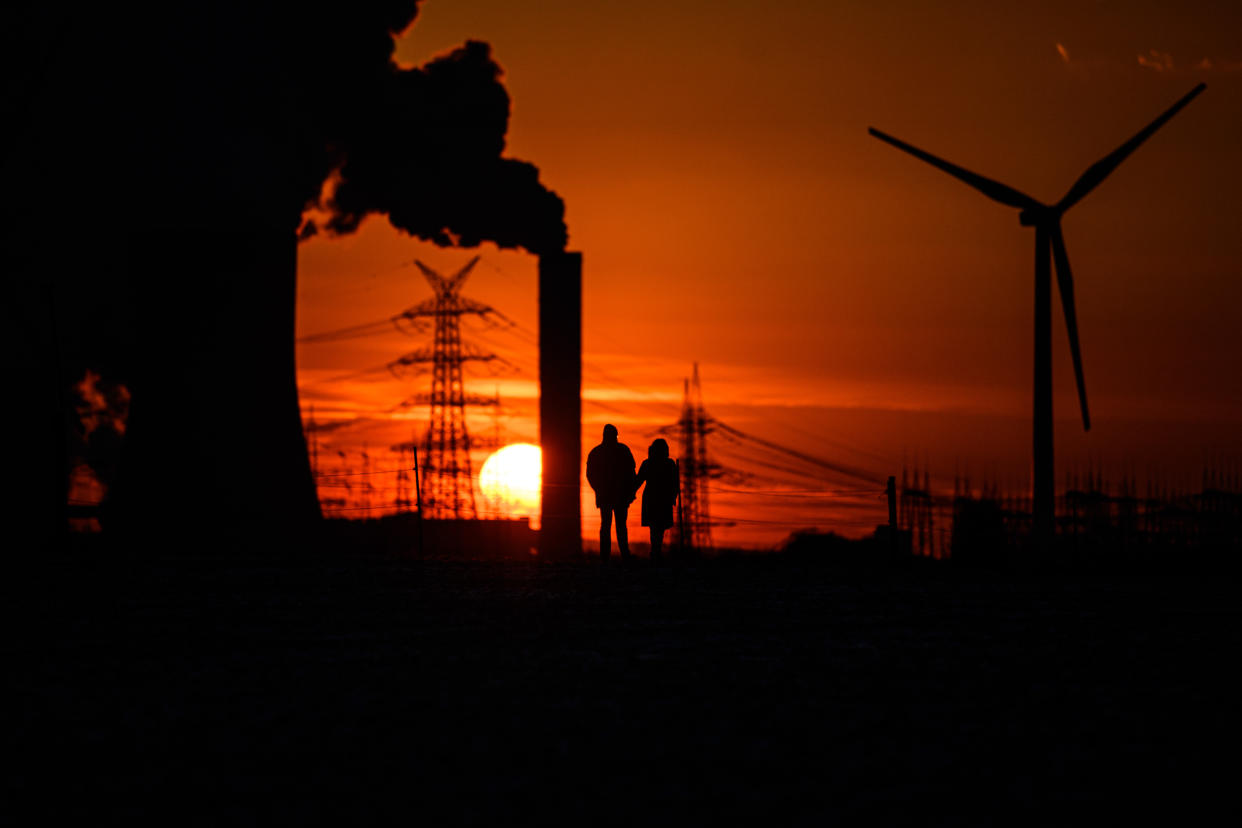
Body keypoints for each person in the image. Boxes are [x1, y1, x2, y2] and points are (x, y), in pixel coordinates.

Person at [586, 424, 636, 562]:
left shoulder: (597, 452)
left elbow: (590, 475)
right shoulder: (622, 451)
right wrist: (630, 491)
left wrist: (599, 489)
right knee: (617, 526)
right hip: (616, 496)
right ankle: (622, 556)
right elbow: (631, 473)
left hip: (611, 496)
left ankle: (607, 557)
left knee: (609, 526)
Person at [633, 438, 680, 562]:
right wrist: (673, 496)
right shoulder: (669, 464)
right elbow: (675, 484)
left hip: (652, 499)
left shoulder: (648, 463)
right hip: (663, 499)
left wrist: (629, 493)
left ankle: (655, 552)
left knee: (655, 528)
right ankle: (656, 552)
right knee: (658, 528)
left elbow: (638, 481)